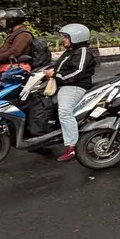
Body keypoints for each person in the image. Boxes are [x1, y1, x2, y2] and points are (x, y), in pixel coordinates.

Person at [45, 24, 95, 163]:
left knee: (65, 112)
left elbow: (77, 72)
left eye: (67, 37)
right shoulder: (71, 51)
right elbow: (59, 67)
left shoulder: (83, 52)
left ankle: (71, 146)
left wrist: (56, 75)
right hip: (63, 84)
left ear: (76, 37)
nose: (64, 40)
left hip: (74, 86)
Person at [0, 8, 34, 72]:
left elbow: (13, 53)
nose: (1, 21)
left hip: (14, 68)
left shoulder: (23, 35)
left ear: (11, 20)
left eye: (3, 19)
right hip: (7, 65)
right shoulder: (15, 33)